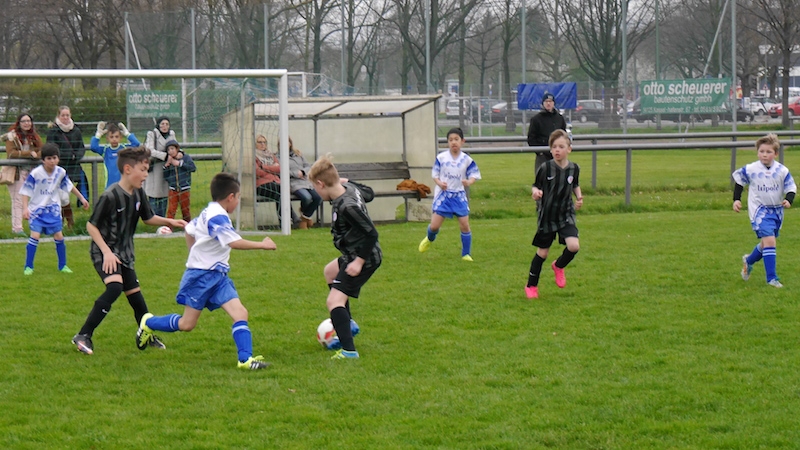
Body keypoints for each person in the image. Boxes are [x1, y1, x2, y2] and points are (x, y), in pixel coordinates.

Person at [136, 172, 277, 370]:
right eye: (238, 197)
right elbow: (233, 242)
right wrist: (262, 245)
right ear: (230, 197)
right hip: (201, 277)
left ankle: (245, 360)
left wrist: (194, 253)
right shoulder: (216, 216)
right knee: (187, 324)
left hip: (218, 276)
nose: (238, 202)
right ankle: (149, 323)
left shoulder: (209, 210)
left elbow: (189, 230)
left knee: (240, 313)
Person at [71, 146, 187, 356]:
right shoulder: (110, 196)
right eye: (143, 170)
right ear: (127, 169)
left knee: (135, 296)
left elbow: (148, 218)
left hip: (124, 253)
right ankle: (83, 335)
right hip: (104, 252)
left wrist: (170, 221)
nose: (146, 175)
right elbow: (91, 226)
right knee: (115, 287)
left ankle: (146, 335)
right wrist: (107, 252)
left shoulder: (138, 193)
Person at [308, 154, 381, 360]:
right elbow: (370, 193)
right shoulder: (349, 189)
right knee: (330, 272)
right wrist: (348, 181)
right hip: (355, 253)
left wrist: (359, 261)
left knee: (334, 301)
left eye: (315, 187)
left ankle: (349, 351)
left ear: (321, 184)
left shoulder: (347, 206)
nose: (315, 192)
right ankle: (347, 325)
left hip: (364, 256)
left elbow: (372, 233)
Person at [525, 129, 583, 299]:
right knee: (542, 253)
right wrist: (536, 193)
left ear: (569, 149)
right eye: (554, 147)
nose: (557, 150)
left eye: (561, 146)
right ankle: (531, 286)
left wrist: (579, 197)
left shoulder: (574, 168)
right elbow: (535, 185)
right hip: (548, 216)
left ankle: (558, 266)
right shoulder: (546, 168)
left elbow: (575, 184)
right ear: (550, 150)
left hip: (566, 214)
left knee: (574, 246)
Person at [733, 133, 796, 288]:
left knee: (765, 244)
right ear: (757, 152)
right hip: (759, 211)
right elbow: (739, 182)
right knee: (770, 241)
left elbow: (791, 187)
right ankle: (772, 279)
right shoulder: (751, 169)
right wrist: (737, 199)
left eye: (768, 152)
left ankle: (749, 261)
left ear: (776, 154)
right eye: (762, 151)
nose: (764, 154)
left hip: (776, 211)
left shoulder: (782, 170)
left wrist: (789, 199)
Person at [19, 143, 89, 275]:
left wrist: (82, 198)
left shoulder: (60, 172)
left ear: (58, 158)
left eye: (54, 158)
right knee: (35, 236)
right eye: (49, 158)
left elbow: (69, 186)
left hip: (53, 211)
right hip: (37, 211)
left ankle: (63, 266)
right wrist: (25, 209)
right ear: (43, 160)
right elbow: (25, 191)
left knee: (59, 236)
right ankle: (28, 266)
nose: (52, 161)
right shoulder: (36, 173)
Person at [418, 127, 481, 261]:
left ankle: (466, 254)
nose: (453, 142)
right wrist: (440, 183)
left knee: (464, 225)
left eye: (456, 139)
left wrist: (469, 182)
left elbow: (474, 175)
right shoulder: (441, 158)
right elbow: (435, 175)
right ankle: (429, 238)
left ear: (462, 141)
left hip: (459, 196)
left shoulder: (467, 159)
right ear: (447, 142)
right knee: (434, 226)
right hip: (444, 196)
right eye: (451, 140)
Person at [46, 106, 86, 228]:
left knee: (65, 193)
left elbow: (81, 147)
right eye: (63, 115)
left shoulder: (76, 130)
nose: (65, 117)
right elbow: (51, 148)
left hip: (73, 166)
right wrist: (67, 156)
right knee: (61, 195)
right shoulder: (53, 131)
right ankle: (64, 221)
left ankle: (67, 221)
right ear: (58, 116)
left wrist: (76, 156)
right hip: (58, 166)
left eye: (67, 115)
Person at [3, 113, 42, 235]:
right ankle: (17, 229)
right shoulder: (12, 136)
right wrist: (29, 154)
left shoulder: (34, 136)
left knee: (31, 199)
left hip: (30, 172)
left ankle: (36, 226)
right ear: (19, 123)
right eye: (24, 121)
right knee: (18, 200)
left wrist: (36, 154)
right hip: (16, 172)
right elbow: (11, 153)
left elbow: (41, 150)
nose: (26, 123)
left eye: (28, 121)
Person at [90, 121, 140, 189]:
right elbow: (93, 147)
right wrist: (98, 135)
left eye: (116, 137)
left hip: (124, 185)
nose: (114, 139)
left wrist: (127, 133)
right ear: (107, 138)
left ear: (120, 138)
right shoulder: (105, 150)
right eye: (111, 137)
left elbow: (136, 144)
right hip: (109, 185)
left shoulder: (124, 148)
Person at [144, 116, 177, 217]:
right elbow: (150, 150)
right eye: (162, 124)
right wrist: (165, 156)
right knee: (154, 194)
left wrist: (179, 153)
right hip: (154, 167)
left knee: (164, 194)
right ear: (158, 125)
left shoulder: (171, 134)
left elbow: (176, 146)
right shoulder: (152, 134)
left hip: (167, 168)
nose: (165, 126)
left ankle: (162, 218)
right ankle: (153, 218)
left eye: (167, 124)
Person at [286, 137, 322, 229]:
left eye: (287, 142)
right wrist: (296, 174)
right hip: (294, 183)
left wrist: (303, 172)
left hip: (306, 181)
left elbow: (308, 166)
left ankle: (304, 217)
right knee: (307, 198)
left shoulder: (298, 154)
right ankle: (305, 219)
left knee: (318, 197)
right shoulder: (278, 157)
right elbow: (281, 170)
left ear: (290, 144)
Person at [527, 92, 567, 173]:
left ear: (554, 103)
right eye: (546, 101)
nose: (548, 103)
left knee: (559, 176)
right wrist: (540, 152)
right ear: (543, 103)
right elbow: (531, 138)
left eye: (550, 101)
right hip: (543, 156)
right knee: (542, 177)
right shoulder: (536, 119)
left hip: (557, 153)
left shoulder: (560, 118)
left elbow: (564, 135)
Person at [163, 139, 196, 223]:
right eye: (168, 150)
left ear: (177, 149)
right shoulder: (169, 160)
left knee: (185, 210)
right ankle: (169, 226)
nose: (171, 151)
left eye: (172, 149)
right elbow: (166, 176)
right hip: (173, 189)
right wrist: (166, 166)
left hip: (184, 188)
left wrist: (180, 164)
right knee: (171, 210)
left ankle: (187, 226)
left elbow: (193, 168)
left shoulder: (185, 157)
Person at [254, 134, 284, 221]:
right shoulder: (253, 156)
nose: (262, 144)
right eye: (260, 142)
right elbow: (257, 172)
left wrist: (264, 167)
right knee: (281, 191)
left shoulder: (270, 155)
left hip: (274, 182)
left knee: (280, 194)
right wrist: (272, 169)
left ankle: (283, 221)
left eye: (264, 142)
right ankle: (290, 218)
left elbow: (279, 169)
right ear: (255, 144)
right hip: (261, 185)